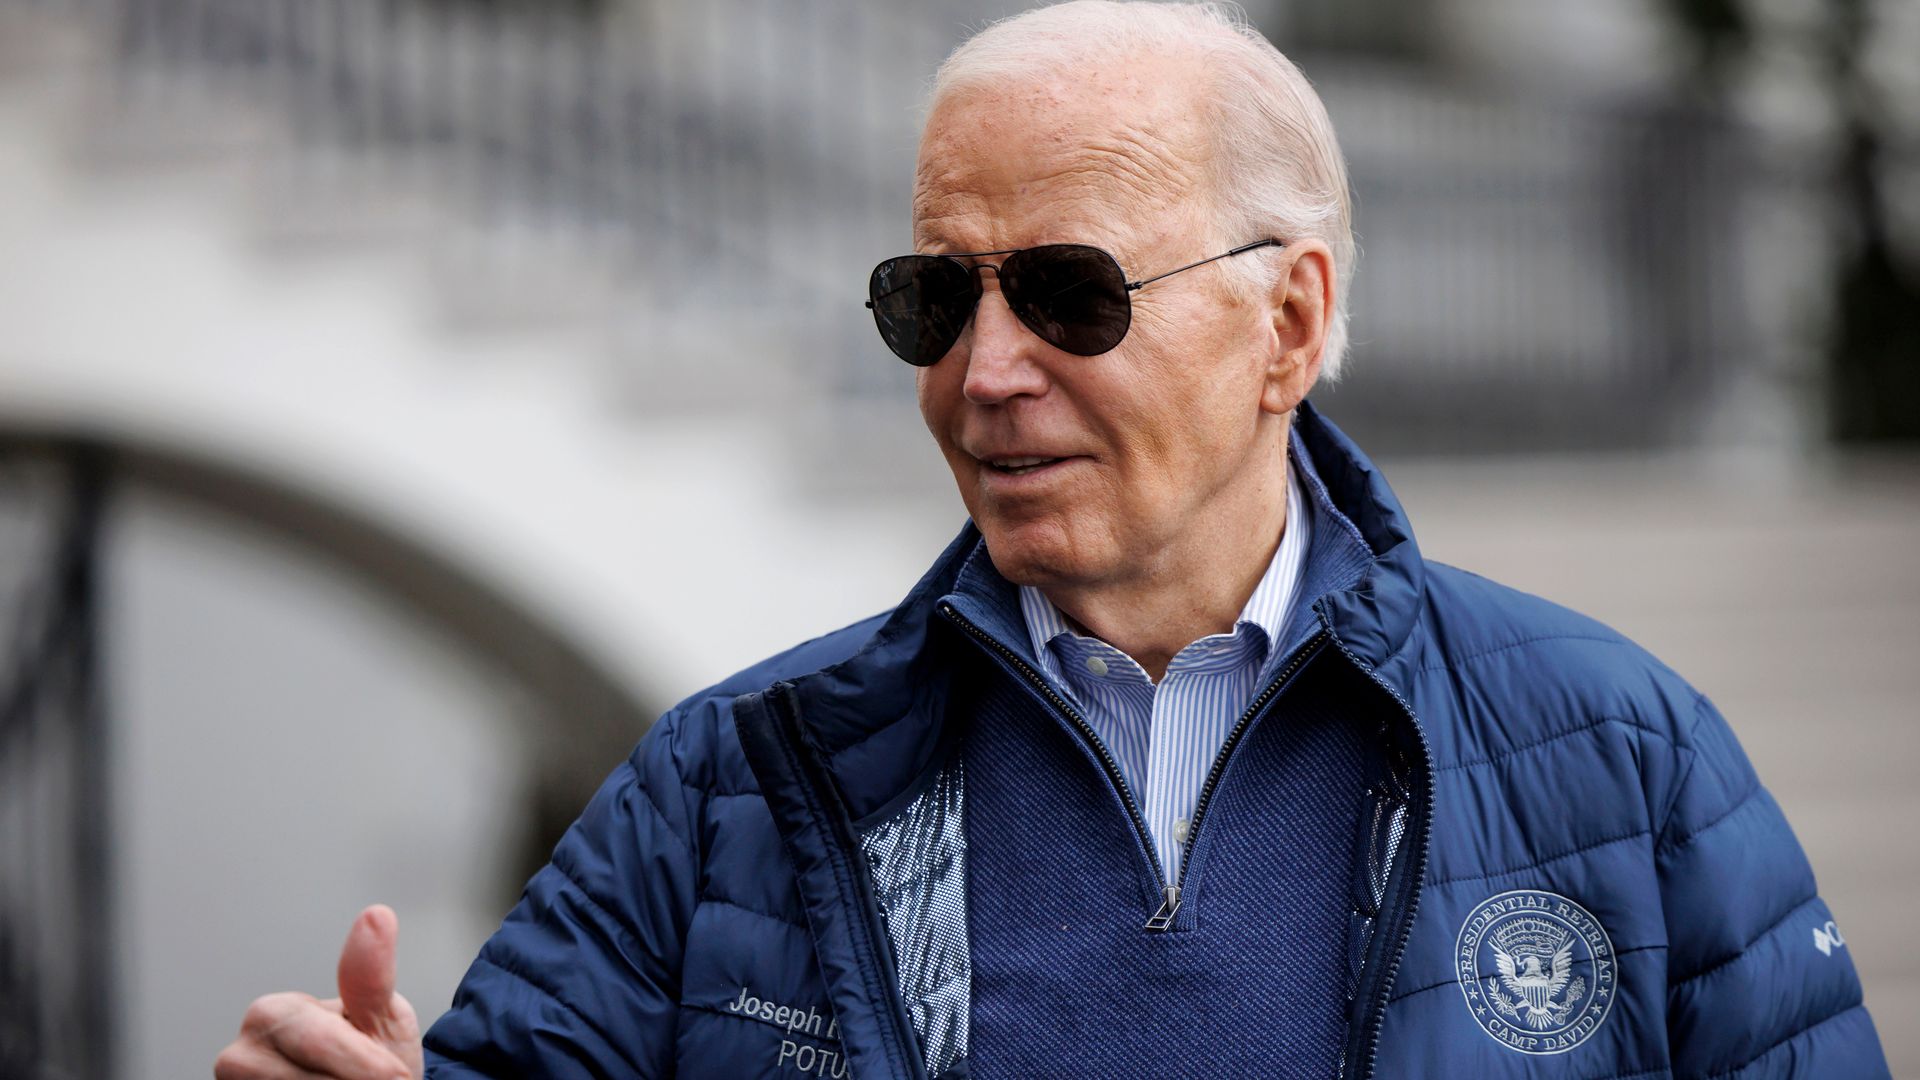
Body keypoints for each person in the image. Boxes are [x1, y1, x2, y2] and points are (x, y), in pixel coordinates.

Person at [215, 3, 1892, 1078]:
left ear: (1284, 328)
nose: (986, 370)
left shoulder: (1623, 759)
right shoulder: (731, 784)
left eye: (1072, 294)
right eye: (937, 295)